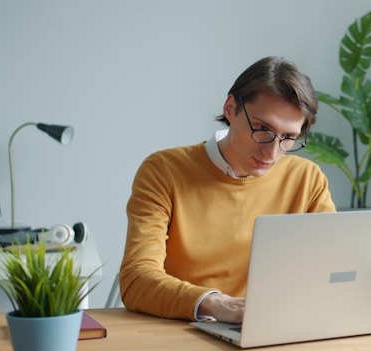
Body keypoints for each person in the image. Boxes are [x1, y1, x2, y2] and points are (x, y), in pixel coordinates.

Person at [119, 57, 336, 322]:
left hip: (271, 329)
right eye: (262, 128)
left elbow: (332, 270)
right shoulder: (164, 171)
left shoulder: (307, 179)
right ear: (231, 108)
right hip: (184, 333)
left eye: (288, 137)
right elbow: (136, 280)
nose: (272, 151)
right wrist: (215, 304)